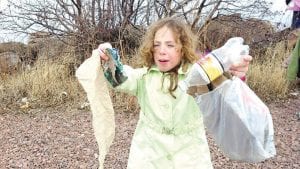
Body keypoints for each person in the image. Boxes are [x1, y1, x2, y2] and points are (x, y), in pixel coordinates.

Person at [98, 17, 252, 168]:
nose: (162, 51)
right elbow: (121, 77)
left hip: (190, 156)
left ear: (183, 48)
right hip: (149, 155)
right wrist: (108, 58)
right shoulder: (143, 77)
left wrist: (234, 72)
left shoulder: (197, 75)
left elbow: (222, 85)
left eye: (170, 45)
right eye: (157, 45)